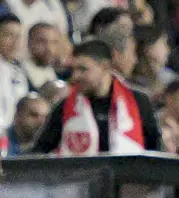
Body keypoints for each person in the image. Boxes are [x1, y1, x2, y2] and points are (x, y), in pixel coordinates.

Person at [32, 39, 160, 155]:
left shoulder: (138, 102)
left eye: (83, 69)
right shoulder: (65, 106)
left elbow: (155, 150)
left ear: (105, 67)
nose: (75, 76)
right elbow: (40, 151)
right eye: (74, 69)